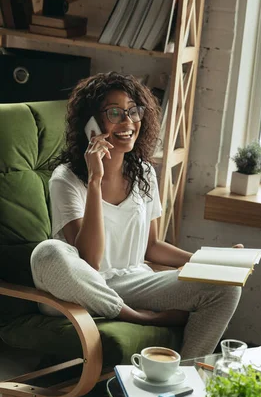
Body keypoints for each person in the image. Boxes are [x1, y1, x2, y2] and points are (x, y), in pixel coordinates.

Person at [30, 72, 242, 359]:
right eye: (114, 113)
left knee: (226, 287)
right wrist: (95, 179)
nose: (128, 122)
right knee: (47, 252)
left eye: (133, 111)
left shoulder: (143, 172)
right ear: (91, 123)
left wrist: (213, 262)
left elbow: (151, 247)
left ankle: (186, 376)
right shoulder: (65, 178)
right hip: (81, 285)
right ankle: (138, 317)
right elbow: (89, 261)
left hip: (134, 281)